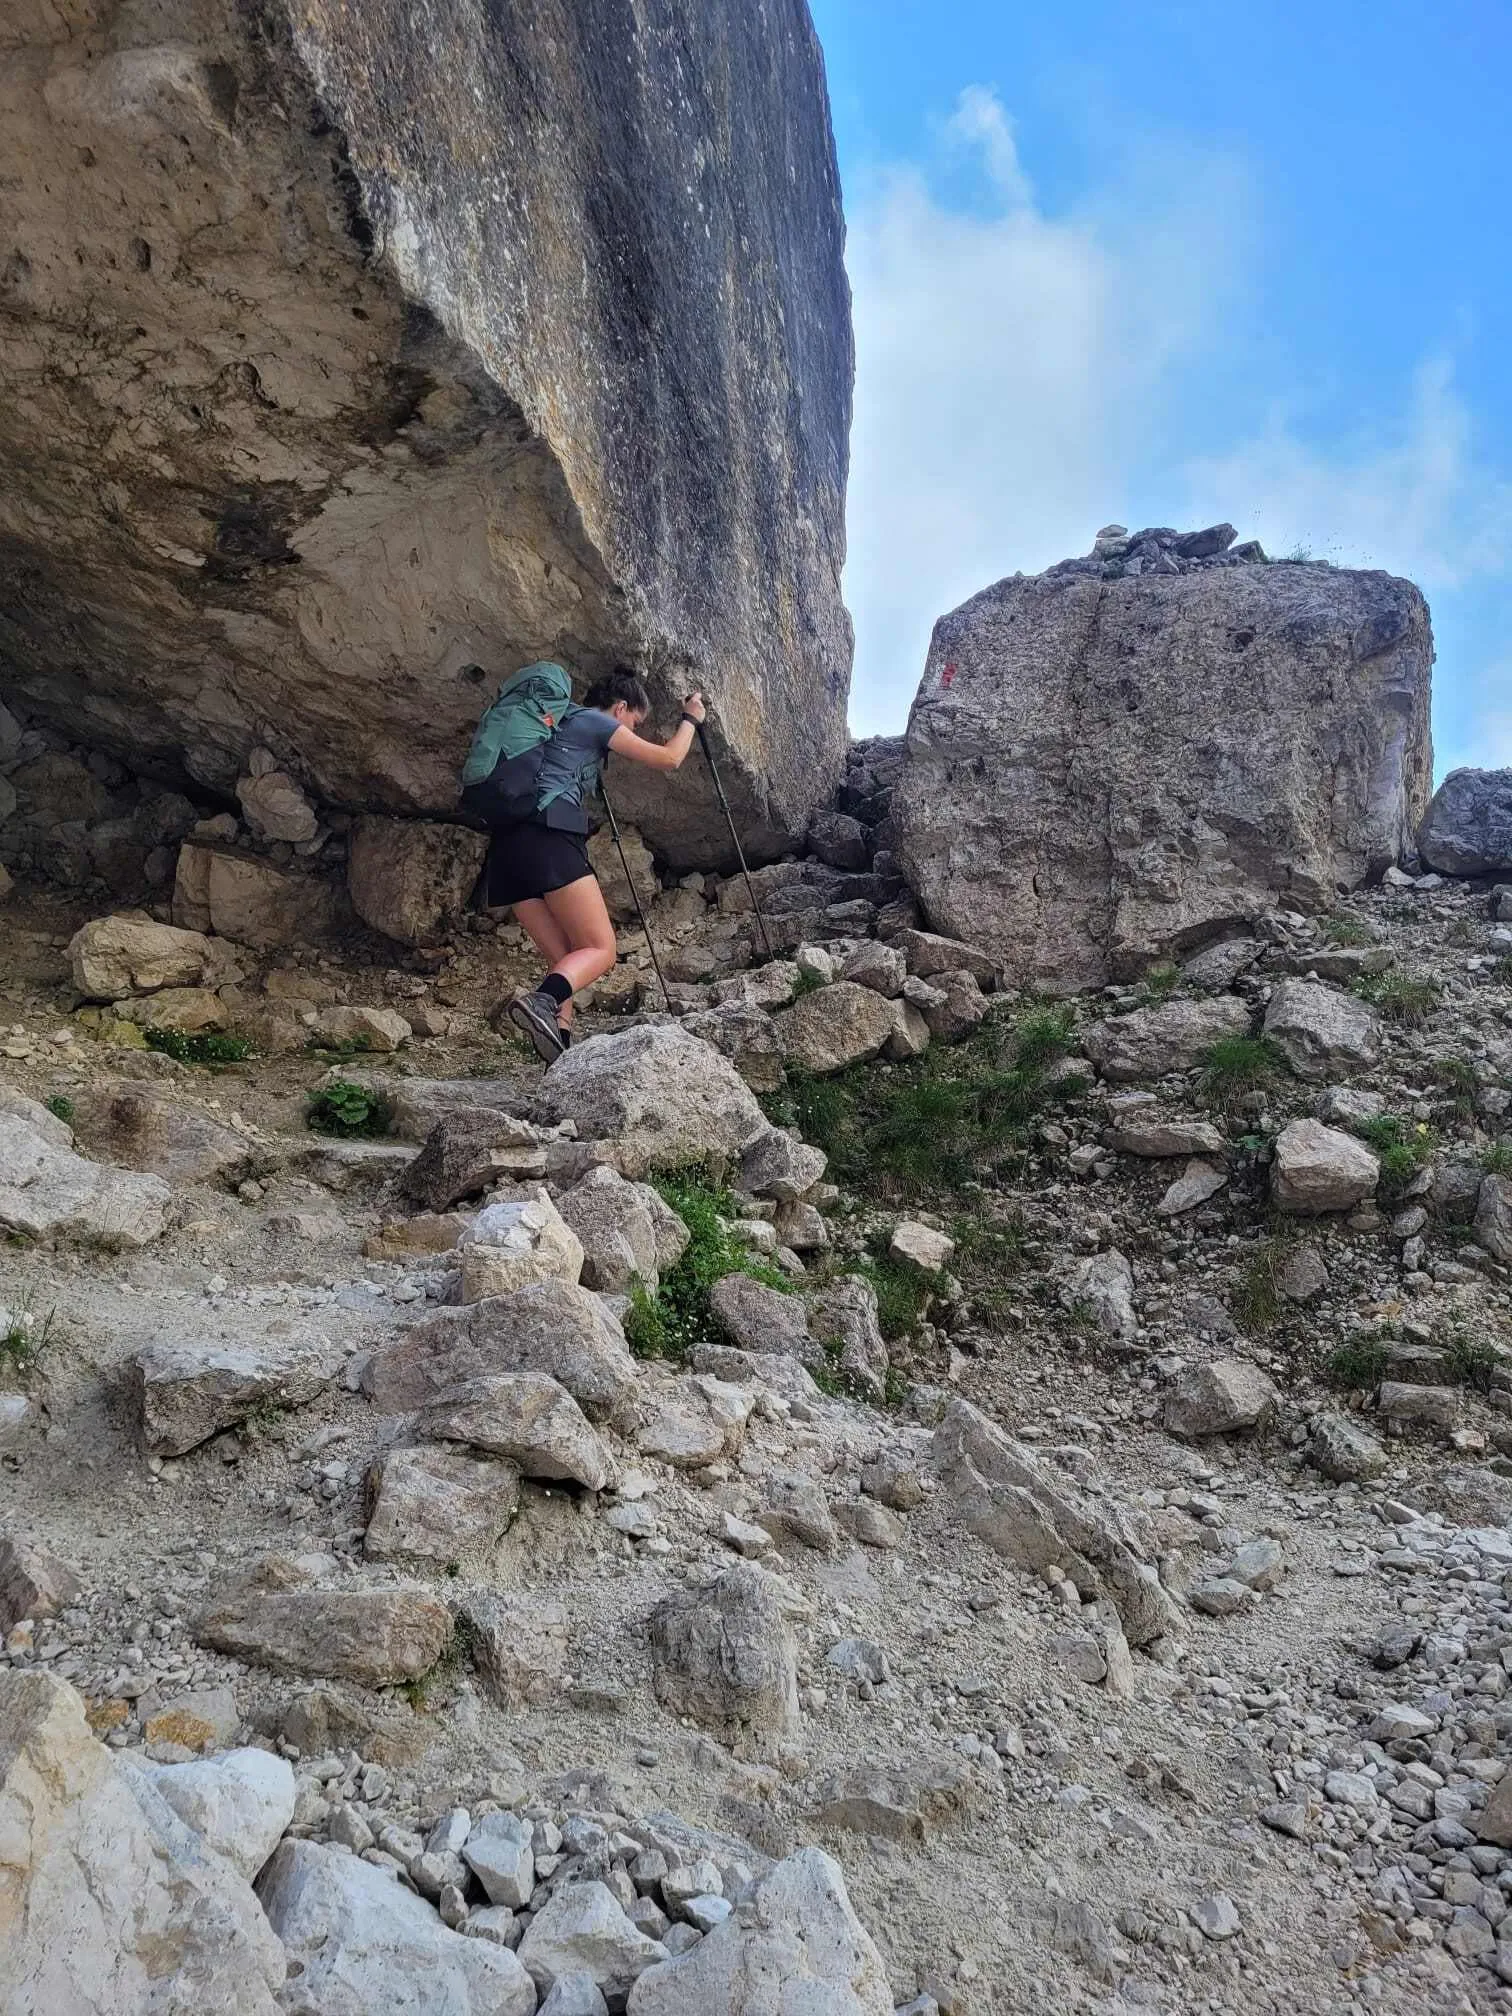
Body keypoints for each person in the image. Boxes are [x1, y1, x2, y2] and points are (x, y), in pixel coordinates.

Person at [486, 667, 706, 1061]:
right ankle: (541, 1003)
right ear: (621, 707)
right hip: (548, 838)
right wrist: (691, 717)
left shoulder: (558, 726)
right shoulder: (591, 721)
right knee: (601, 949)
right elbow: (670, 758)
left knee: (566, 958)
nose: (634, 730)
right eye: (635, 722)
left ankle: (561, 1044)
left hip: (506, 851)